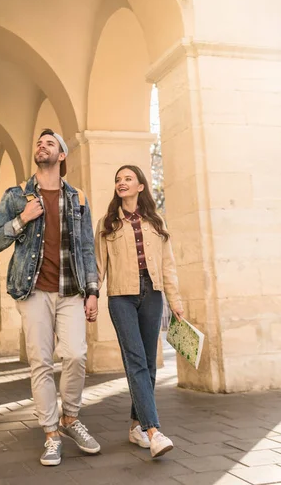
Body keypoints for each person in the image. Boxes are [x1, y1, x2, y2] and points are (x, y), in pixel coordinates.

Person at [0, 129, 101, 466]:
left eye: (50, 143)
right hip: (33, 290)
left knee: (77, 355)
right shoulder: (16, 196)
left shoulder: (78, 198)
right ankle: (51, 433)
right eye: (39, 142)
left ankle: (71, 417)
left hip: (71, 290)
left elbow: (85, 247)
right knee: (41, 363)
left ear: (62, 155)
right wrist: (23, 219)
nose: (42, 145)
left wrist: (93, 291)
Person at [95, 165, 184, 459]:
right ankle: (153, 431)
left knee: (149, 363)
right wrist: (92, 296)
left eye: (127, 179)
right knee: (135, 361)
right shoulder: (107, 223)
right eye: (118, 179)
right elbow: (98, 265)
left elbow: (168, 265)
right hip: (121, 297)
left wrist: (176, 300)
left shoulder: (156, 223)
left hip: (153, 293)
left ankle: (135, 426)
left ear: (141, 186)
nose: (121, 183)